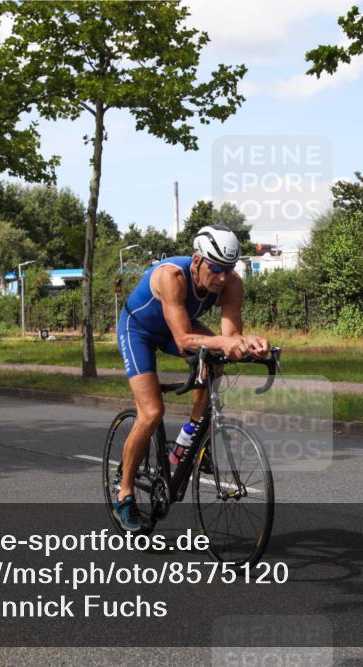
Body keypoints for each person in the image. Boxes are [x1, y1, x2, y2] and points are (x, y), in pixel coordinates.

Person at [113, 225, 270, 532]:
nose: (223, 277)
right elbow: (184, 339)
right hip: (139, 331)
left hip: (178, 328)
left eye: (229, 269)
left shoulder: (231, 284)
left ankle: (187, 444)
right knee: (152, 412)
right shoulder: (171, 276)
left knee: (217, 362)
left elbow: (231, 337)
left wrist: (250, 346)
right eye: (216, 268)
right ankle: (125, 494)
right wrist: (225, 343)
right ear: (197, 260)